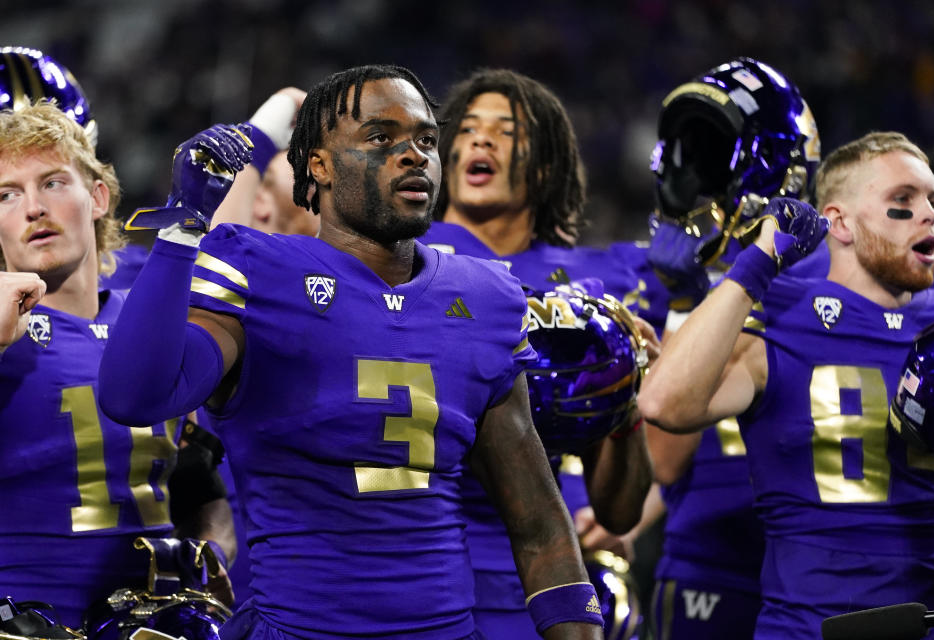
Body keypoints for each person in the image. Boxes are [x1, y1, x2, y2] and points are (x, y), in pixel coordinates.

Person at [97, 64, 605, 640]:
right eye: (381, 138)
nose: (413, 154)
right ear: (320, 165)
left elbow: (538, 523)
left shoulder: (485, 297)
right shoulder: (256, 269)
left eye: (426, 140)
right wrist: (183, 230)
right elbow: (134, 395)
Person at [637, 131, 934, 639]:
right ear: (839, 222)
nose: (928, 215)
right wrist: (756, 264)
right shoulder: (779, 312)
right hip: (815, 626)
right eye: (904, 199)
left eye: (932, 201)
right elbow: (661, 403)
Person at [420, 68, 660, 639]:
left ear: (546, 165)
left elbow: (620, 512)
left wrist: (625, 397)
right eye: (469, 129)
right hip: (401, 559)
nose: (480, 139)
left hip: (532, 575)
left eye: (505, 131)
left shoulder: (598, 287)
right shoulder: (395, 257)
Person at [0, 100, 235, 629]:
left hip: (155, 623)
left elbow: (200, 485)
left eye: (53, 182)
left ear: (98, 197)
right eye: (7, 195)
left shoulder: (148, 320)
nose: (33, 208)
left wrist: (210, 556)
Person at [638, 56, 821, 640]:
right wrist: (684, 304)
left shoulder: (838, 282)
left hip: (817, 572)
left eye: (710, 156)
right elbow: (661, 461)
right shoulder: (659, 284)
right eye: (688, 157)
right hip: (706, 563)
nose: (692, 178)